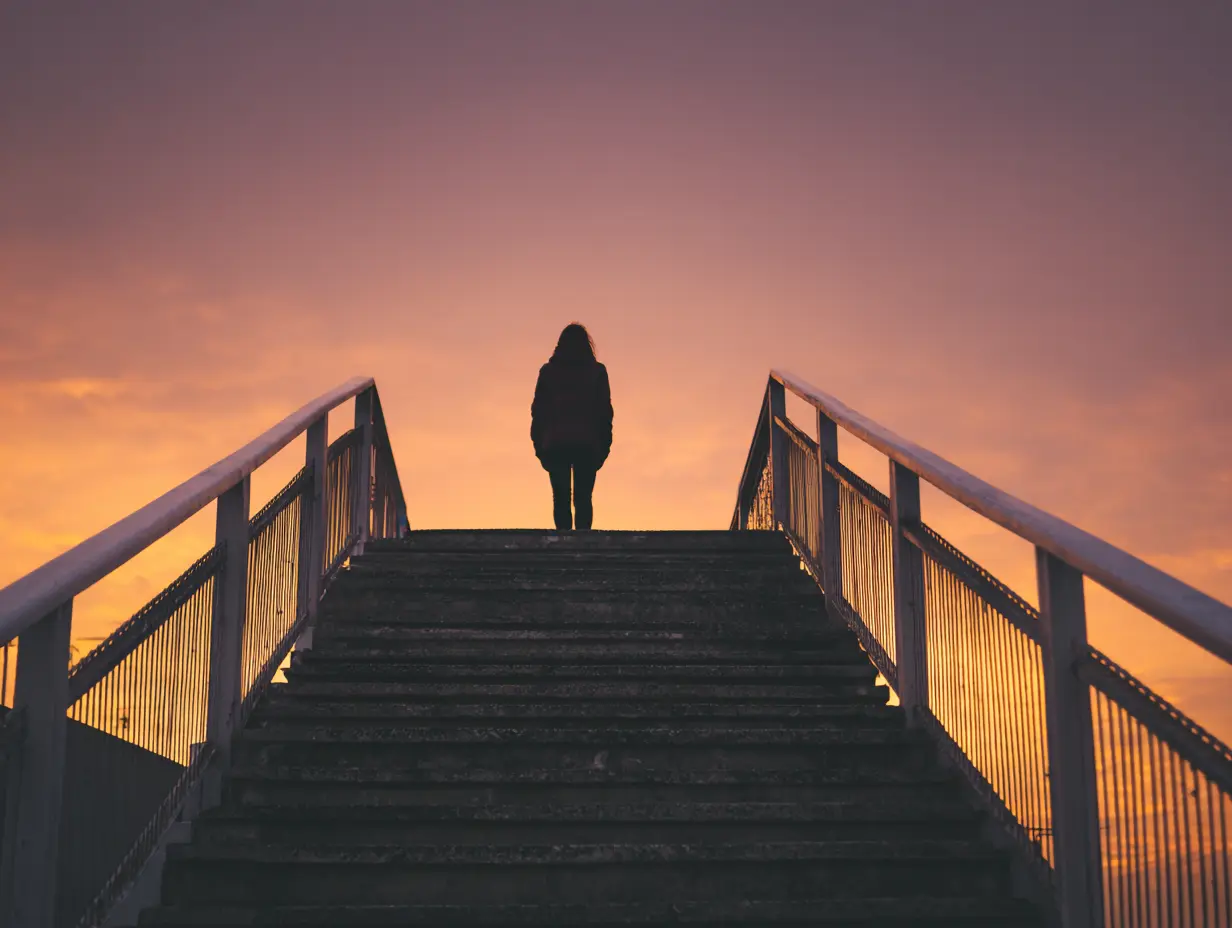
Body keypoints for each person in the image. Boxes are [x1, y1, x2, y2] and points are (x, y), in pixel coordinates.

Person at [530, 323, 613, 530]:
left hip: (555, 444)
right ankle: (583, 545)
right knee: (584, 498)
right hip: (587, 444)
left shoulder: (548, 372)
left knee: (560, 498)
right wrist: (604, 447)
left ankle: (563, 543)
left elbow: (538, 412)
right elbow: (604, 413)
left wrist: (540, 446)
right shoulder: (597, 372)